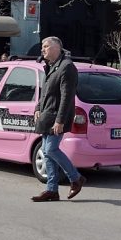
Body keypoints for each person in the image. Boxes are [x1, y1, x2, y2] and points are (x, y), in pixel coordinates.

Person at [31, 36, 86, 202]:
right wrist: (38, 108)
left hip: (56, 117)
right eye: (43, 47)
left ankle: (76, 178)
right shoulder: (50, 66)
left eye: (46, 46)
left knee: (50, 150)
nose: (43, 49)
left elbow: (66, 97)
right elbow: (45, 92)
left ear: (57, 48)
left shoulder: (66, 67)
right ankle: (52, 190)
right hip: (46, 115)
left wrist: (60, 120)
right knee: (47, 154)